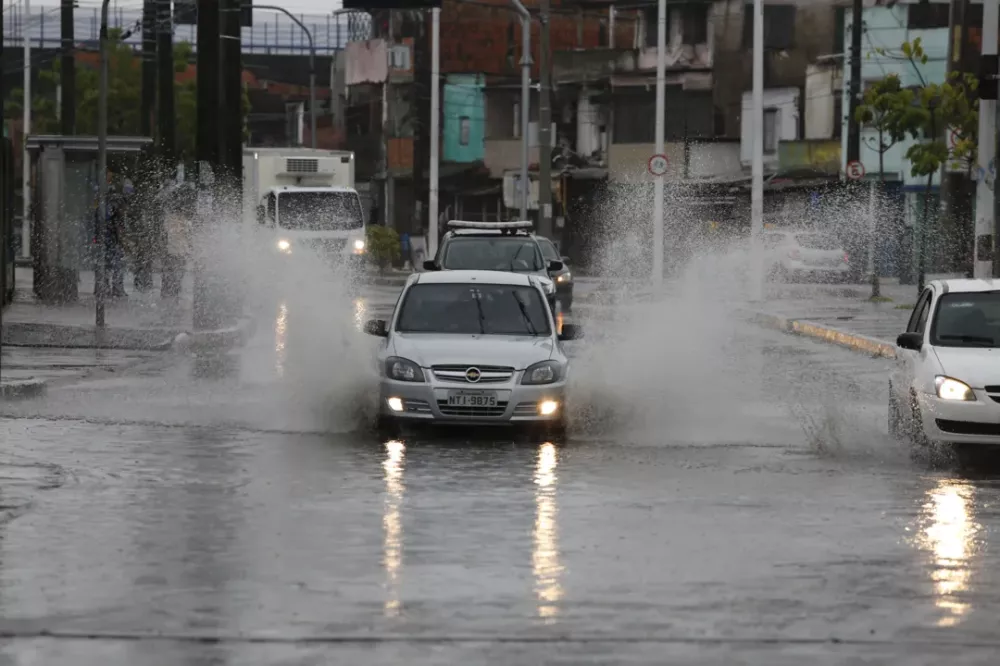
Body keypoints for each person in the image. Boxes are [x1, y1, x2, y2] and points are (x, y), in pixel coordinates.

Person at [162, 184, 193, 300]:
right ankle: (173, 291)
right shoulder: (183, 220)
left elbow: (166, 233)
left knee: (171, 273)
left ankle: (169, 292)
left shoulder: (169, 219)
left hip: (173, 250)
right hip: (177, 251)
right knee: (176, 273)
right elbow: (188, 235)